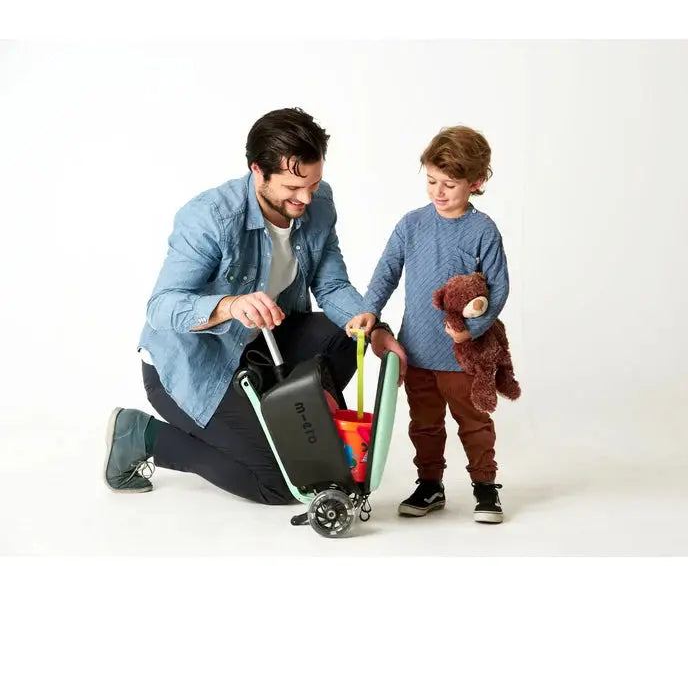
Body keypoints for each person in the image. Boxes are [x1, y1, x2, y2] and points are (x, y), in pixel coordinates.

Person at [104, 107, 406, 504]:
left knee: (349, 337)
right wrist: (229, 305)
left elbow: (331, 285)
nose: (306, 198)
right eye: (293, 187)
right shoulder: (210, 217)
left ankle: (306, 433)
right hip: (193, 367)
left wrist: (374, 328)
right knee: (285, 484)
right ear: (257, 172)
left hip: (263, 346)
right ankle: (143, 435)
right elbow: (161, 307)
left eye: (314, 184)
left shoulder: (319, 204)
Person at [346, 125, 511, 523]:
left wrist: (471, 329)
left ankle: (485, 488)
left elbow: (499, 288)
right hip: (416, 352)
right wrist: (371, 309)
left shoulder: (482, 230)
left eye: (449, 184)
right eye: (432, 181)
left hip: (462, 356)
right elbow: (387, 271)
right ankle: (430, 484)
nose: (438, 191)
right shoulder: (411, 224)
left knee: (474, 423)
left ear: (477, 181)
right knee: (424, 424)